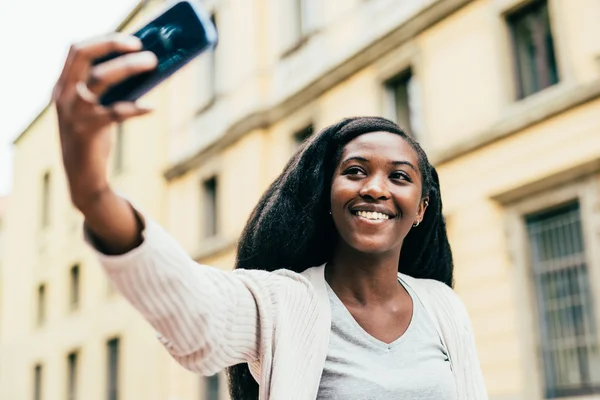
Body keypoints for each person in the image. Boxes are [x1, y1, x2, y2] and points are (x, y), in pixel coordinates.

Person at [53, 33, 488, 400]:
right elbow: (192, 311)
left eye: (399, 176)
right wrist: (92, 192)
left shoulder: (442, 306)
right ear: (327, 195)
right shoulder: (283, 303)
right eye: (355, 171)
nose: (375, 187)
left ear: (421, 209)